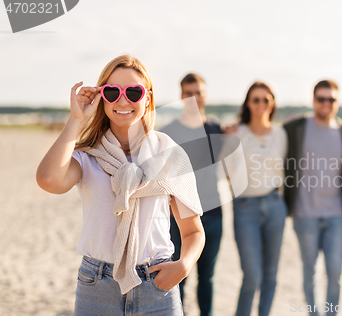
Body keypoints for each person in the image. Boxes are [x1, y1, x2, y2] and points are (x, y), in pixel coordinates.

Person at [36, 55, 205, 315]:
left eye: (133, 92)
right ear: (102, 98)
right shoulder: (88, 156)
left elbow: (193, 232)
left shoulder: (169, 153)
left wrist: (183, 266)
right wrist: (76, 119)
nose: (123, 100)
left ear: (147, 98)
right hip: (97, 287)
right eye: (112, 91)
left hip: (157, 286)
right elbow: (48, 180)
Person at [283, 80, 342, 315]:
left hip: (336, 213)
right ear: (313, 101)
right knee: (310, 272)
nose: (326, 103)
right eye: (321, 99)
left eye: (331, 99)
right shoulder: (297, 128)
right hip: (305, 214)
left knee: (336, 271)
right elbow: (265, 131)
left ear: (337, 102)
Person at [221, 82, 288, 316]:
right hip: (245, 208)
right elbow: (225, 174)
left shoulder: (281, 134)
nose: (261, 104)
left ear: (272, 104)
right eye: (255, 100)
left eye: (265, 100)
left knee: (270, 276)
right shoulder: (236, 134)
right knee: (252, 276)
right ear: (248, 104)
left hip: (275, 206)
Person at [160, 73, 223, 316]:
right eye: (188, 93)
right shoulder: (168, 133)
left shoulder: (217, 129)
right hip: (179, 217)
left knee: (208, 278)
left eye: (198, 92)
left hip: (214, 214)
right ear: (181, 97)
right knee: (179, 276)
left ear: (205, 95)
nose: (194, 98)